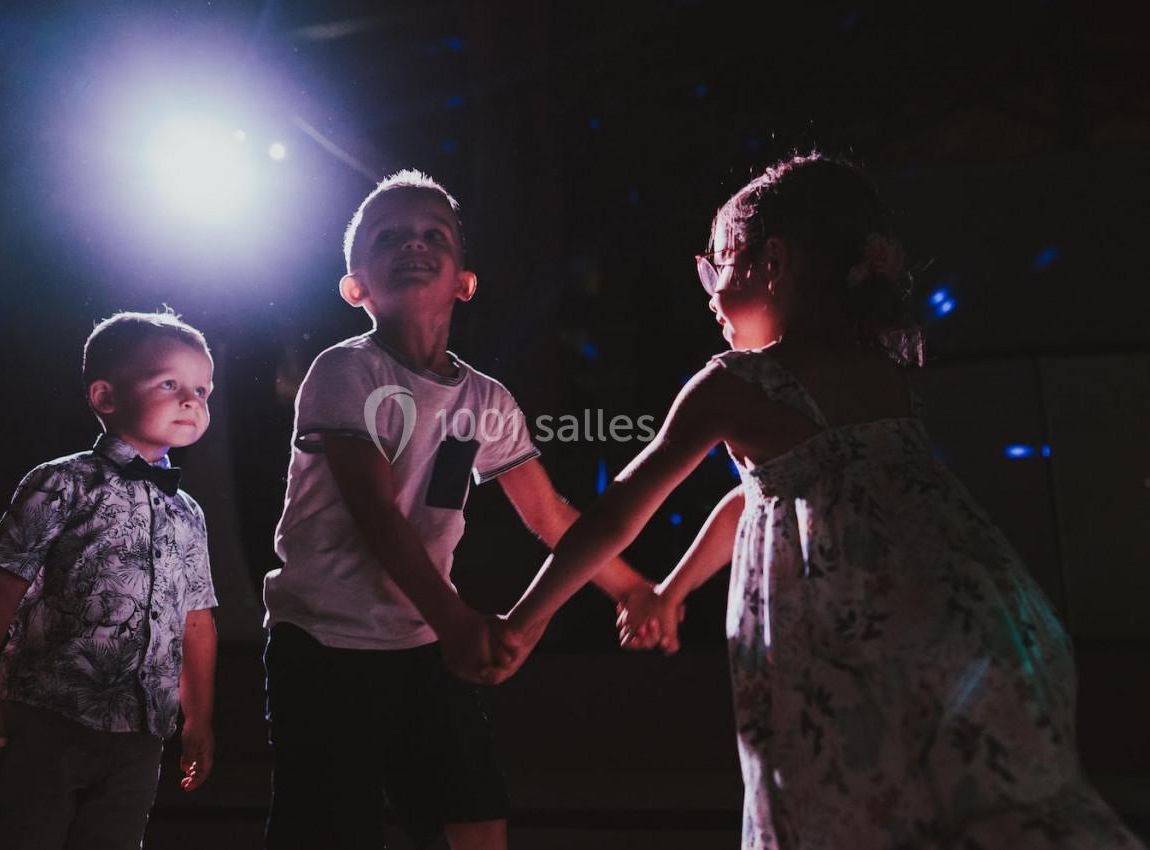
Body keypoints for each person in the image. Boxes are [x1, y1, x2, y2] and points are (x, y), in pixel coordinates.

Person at [490, 154, 1146, 848]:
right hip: (976, 616)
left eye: (718, 266)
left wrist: (525, 619)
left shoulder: (736, 383)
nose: (709, 291)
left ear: (771, 262)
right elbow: (759, 499)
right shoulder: (883, 371)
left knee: (840, 805)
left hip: (848, 640)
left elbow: (622, 507)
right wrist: (671, 592)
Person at [262, 170, 657, 849]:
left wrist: (633, 588)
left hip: (422, 647)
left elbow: (550, 515)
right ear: (355, 286)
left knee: (474, 822)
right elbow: (375, 514)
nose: (412, 243)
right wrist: (456, 621)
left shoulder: (488, 401)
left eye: (431, 234)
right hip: (324, 646)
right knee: (330, 830)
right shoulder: (344, 370)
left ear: (464, 281)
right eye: (389, 237)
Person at [0, 310, 219, 850]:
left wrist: (198, 718)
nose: (192, 400)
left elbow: (196, 620)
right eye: (169, 383)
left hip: (139, 732)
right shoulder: (61, 483)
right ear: (106, 397)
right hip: (46, 715)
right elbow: (0, 584)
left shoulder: (189, 514)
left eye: (203, 389)